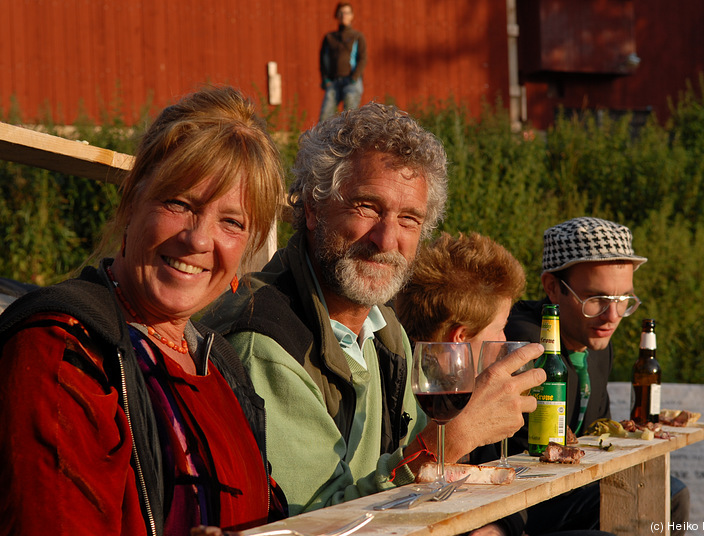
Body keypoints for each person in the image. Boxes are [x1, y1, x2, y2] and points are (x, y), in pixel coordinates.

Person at [202, 102, 546, 516]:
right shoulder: (267, 342)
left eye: (409, 219)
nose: (386, 239)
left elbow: (420, 486)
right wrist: (451, 439)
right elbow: (316, 522)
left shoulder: (386, 332)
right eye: (367, 207)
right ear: (311, 209)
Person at [0, 86, 289, 536]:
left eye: (231, 221)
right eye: (179, 203)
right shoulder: (62, 349)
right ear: (132, 202)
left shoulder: (223, 367)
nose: (198, 240)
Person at [394, 231, 615, 536]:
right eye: (500, 328)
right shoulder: (401, 393)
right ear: (459, 337)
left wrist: (500, 524)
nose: (502, 341)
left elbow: (489, 474)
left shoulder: (461, 388)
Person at [504, 216, 689, 535]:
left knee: (671, 493)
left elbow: (595, 434)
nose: (613, 317)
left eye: (622, 300)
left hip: (570, 486)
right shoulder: (524, 343)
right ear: (552, 288)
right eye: (597, 300)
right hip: (519, 502)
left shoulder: (597, 340)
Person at [318, 2, 367, 122]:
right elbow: (323, 59)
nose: (343, 15)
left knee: (350, 118)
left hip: (351, 81)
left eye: (346, 12)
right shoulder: (329, 37)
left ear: (352, 15)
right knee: (325, 116)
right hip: (334, 82)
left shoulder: (357, 36)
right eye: (341, 13)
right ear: (336, 15)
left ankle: (350, 141)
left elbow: (362, 59)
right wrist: (325, 79)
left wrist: (354, 77)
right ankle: (322, 140)